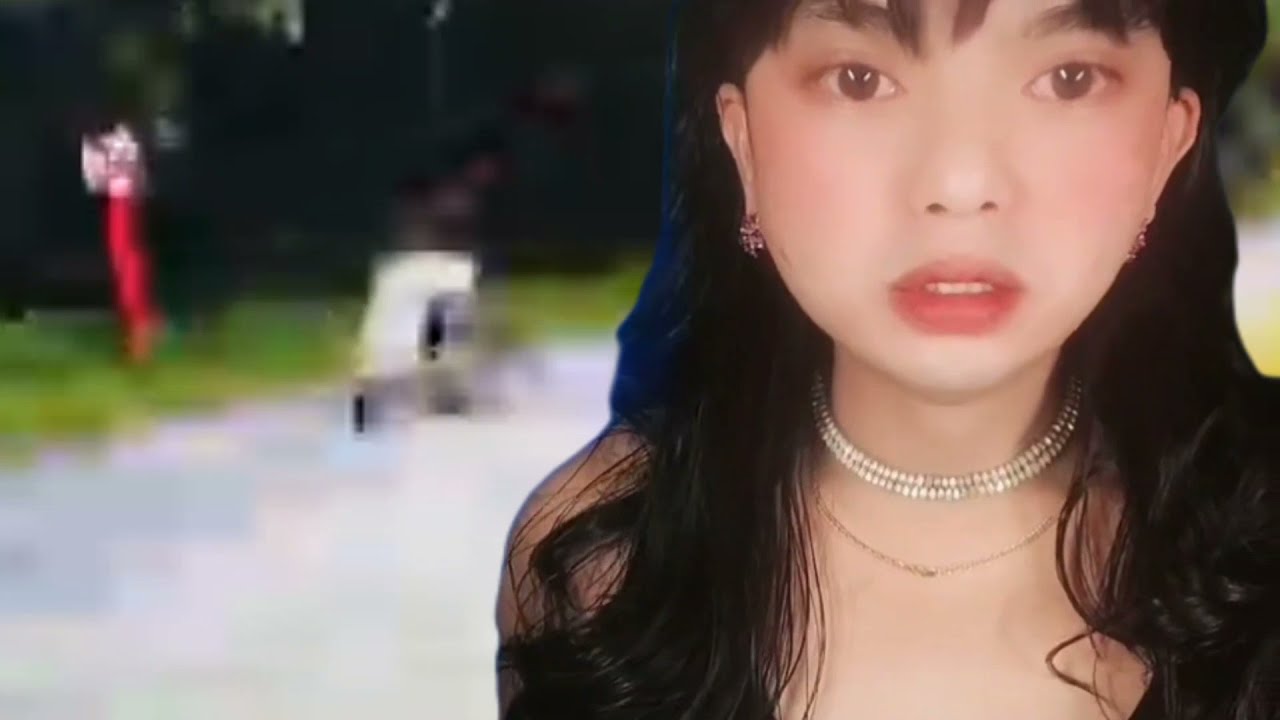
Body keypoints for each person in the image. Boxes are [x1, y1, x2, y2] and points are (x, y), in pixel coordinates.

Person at [497, 1, 1279, 718]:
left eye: (1068, 79)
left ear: (1169, 144)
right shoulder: (602, 562)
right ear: (742, 141)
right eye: (859, 80)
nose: (959, 185)